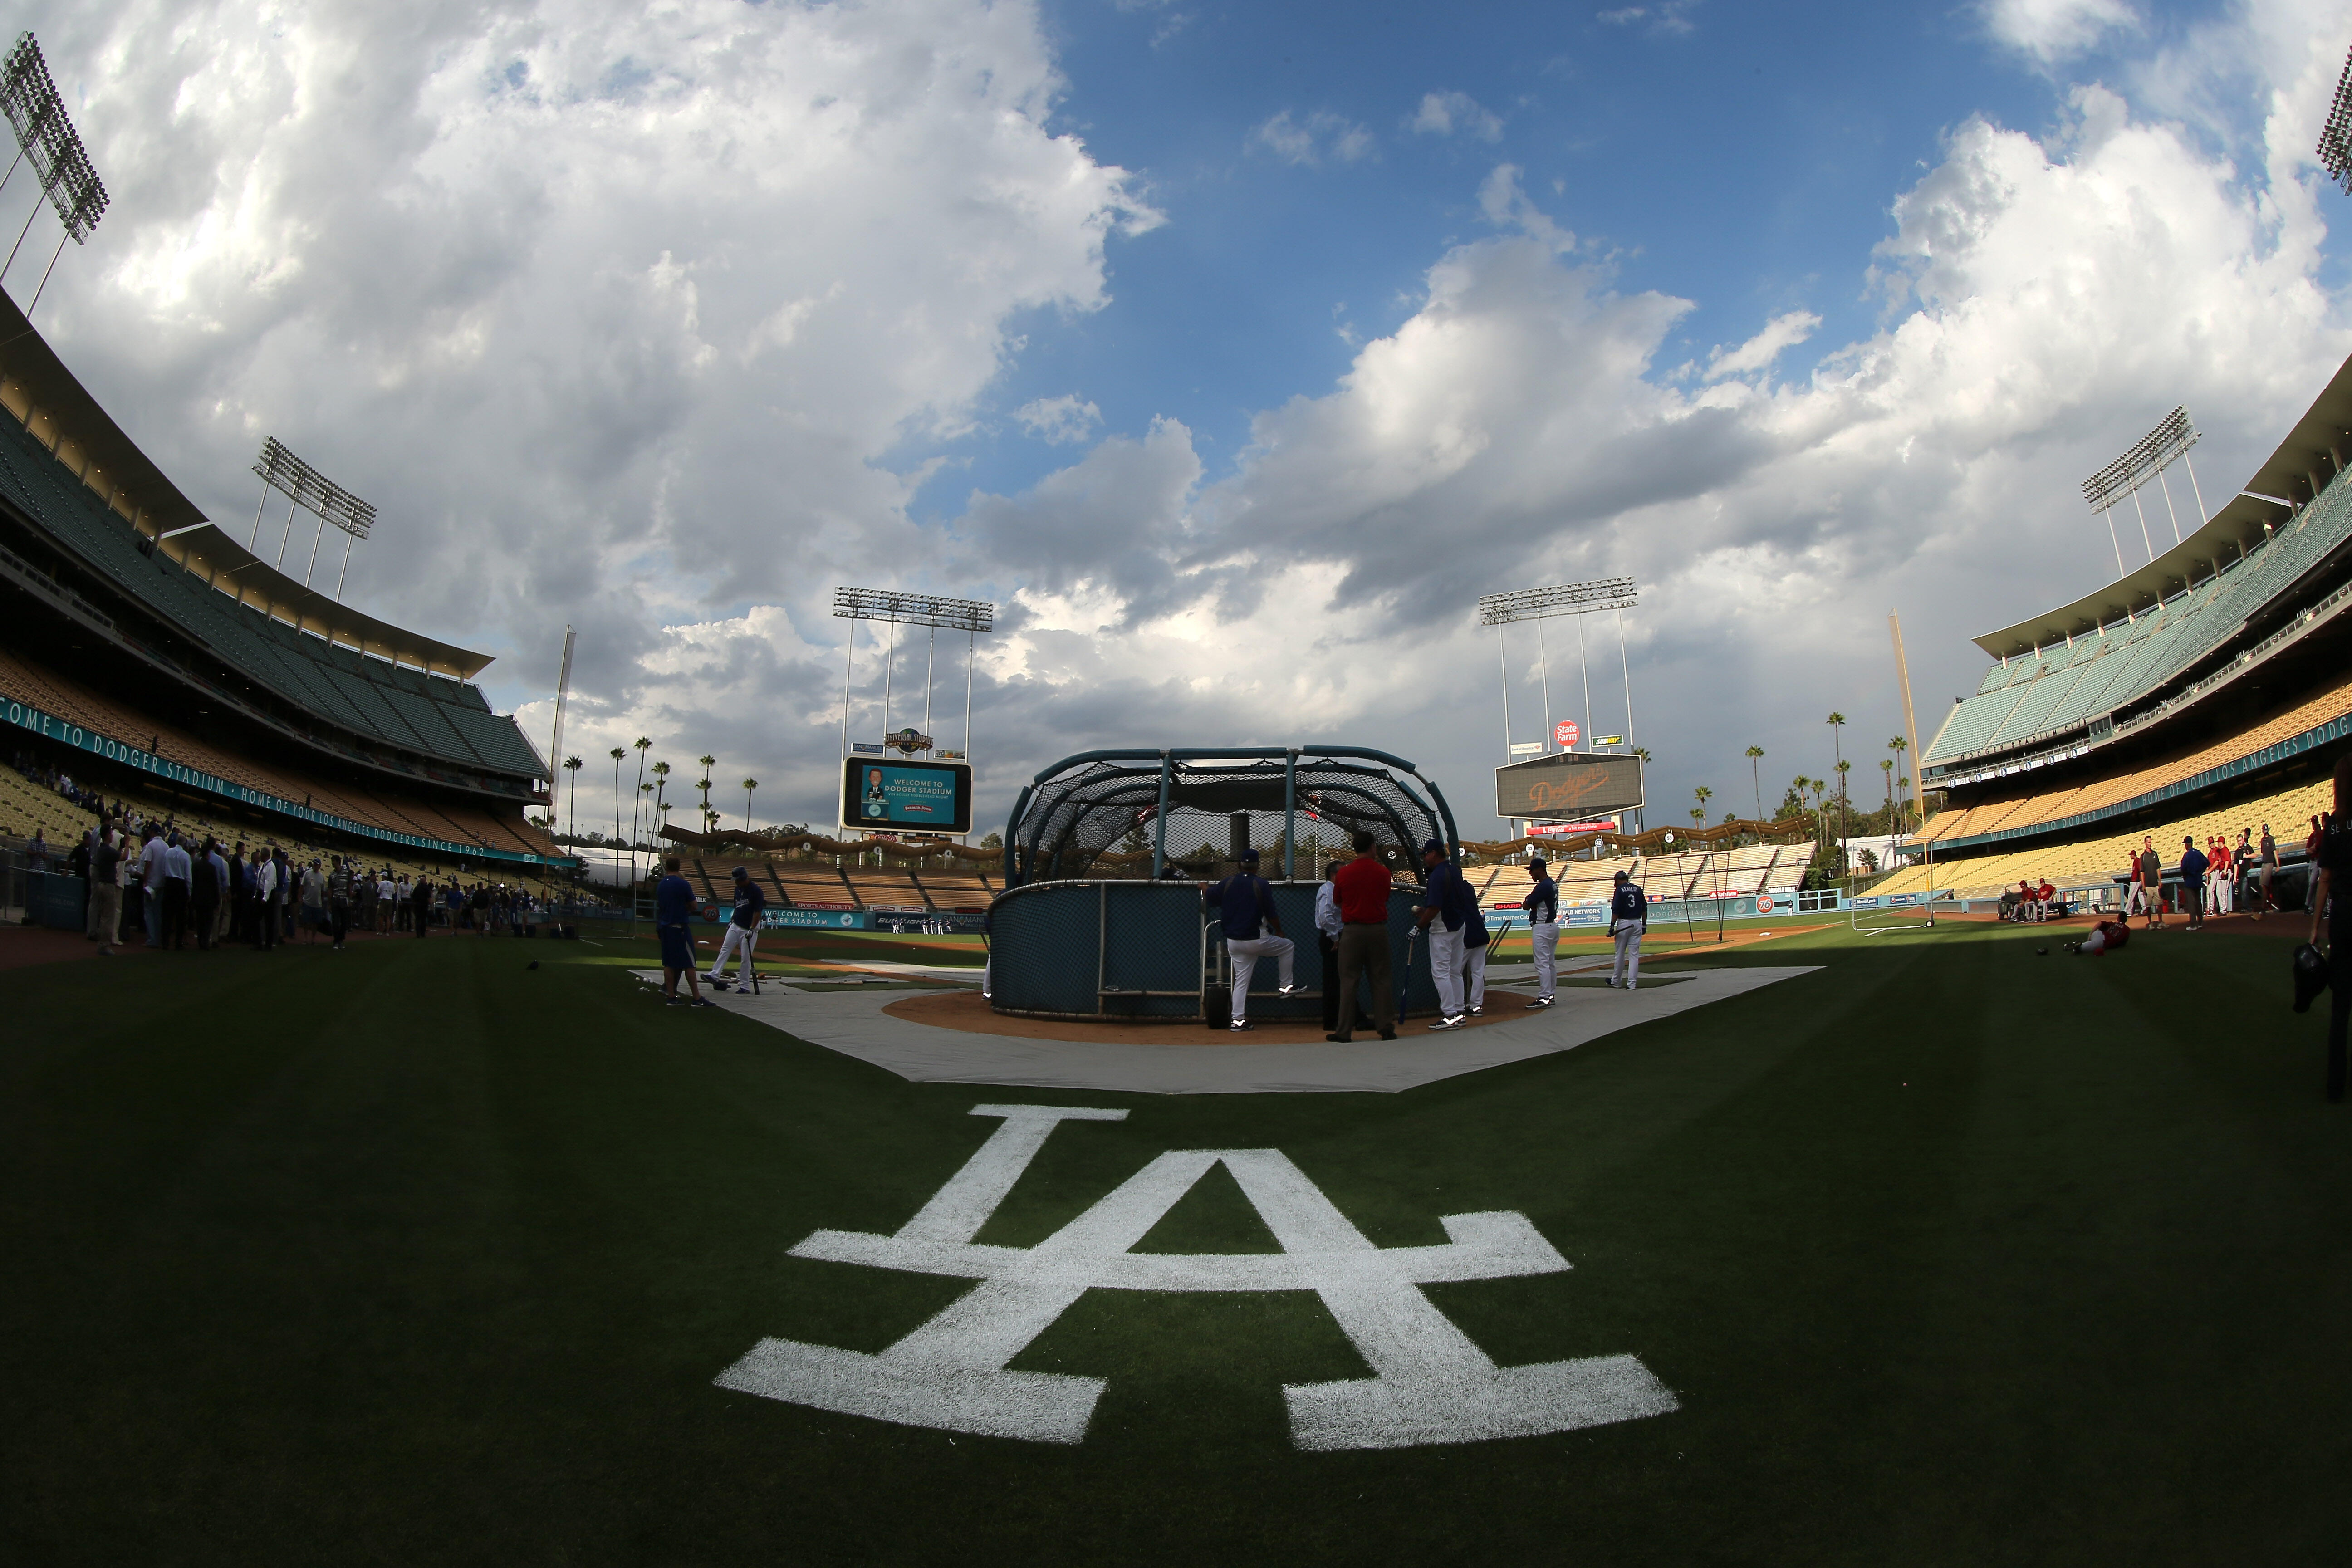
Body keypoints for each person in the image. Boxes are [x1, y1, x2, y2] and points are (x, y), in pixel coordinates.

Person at [1205, 848, 1300, 1031]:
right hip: (1256, 939)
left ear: (1239, 864)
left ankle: (1237, 1021)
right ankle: (1286, 986)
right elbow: (1272, 914)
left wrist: (1203, 886)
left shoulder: (1228, 882)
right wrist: (1280, 931)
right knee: (1287, 946)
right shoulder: (1261, 884)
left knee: (1241, 980)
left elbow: (1211, 896)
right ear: (1257, 866)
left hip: (1234, 941)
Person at [2304, 754, 2351, 1101]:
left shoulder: (2334, 825)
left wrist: (2315, 928)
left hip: (2344, 913)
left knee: (2341, 1005)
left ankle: (2336, 1085)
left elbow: (2325, 880)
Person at [1326, 831, 1398, 1043]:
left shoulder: (1344, 874)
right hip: (1377, 929)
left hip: (1352, 930)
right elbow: (1385, 897)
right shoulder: (1383, 872)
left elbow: (1337, 900)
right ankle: (1386, 1028)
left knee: (1348, 981)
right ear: (1373, 847)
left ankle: (1344, 1031)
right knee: (1381, 979)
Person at [1413, 839, 1474, 1031]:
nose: (1424, 858)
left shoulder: (1438, 875)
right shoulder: (1454, 870)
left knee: (1441, 973)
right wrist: (1427, 912)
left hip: (1443, 929)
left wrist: (1418, 927)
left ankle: (1450, 1015)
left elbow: (1435, 907)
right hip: (1458, 925)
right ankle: (1458, 1013)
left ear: (1434, 854)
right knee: (1455, 972)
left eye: (1426, 854)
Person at [655, 857, 714, 1006]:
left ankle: (671, 996)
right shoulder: (683, 884)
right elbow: (694, 906)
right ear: (679, 867)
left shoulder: (661, 885)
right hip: (679, 928)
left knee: (669, 964)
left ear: (666, 867)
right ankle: (697, 998)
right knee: (689, 964)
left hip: (664, 926)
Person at [706, 866, 766, 991]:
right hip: (736, 924)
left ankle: (744, 986)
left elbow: (757, 913)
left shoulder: (756, 891)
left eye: (738, 880)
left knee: (745, 958)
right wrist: (732, 921)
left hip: (749, 928)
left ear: (744, 878)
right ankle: (714, 975)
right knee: (725, 949)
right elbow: (737, 908)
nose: (736, 882)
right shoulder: (737, 890)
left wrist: (752, 929)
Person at [1523, 858, 1560, 1008]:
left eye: (1532, 870)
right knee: (1550, 964)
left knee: (1543, 964)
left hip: (1542, 927)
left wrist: (1528, 903)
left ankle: (1544, 997)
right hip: (1552, 926)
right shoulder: (1552, 884)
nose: (1531, 873)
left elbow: (1526, 905)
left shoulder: (1543, 886)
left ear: (1540, 869)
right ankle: (1550, 995)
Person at [1314, 860, 1345, 1033]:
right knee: (1333, 979)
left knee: (1338, 978)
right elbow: (1325, 916)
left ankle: (1343, 1017)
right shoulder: (1328, 890)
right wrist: (1335, 938)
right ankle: (1331, 1020)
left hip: (1335, 936)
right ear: (1334, 875)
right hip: (1332, 938)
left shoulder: (1334, 890)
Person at [1607, 868, 1648, 990]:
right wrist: (1644, 925)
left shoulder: (1619, 890)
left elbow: (1616, 910)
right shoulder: (1638, 889)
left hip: (1624, 923)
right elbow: (1644, 908)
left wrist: (1611, 926)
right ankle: (1632, 984)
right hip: (1637, 923)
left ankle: (1617, 981)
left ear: (1619, 880)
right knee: (1634, 956)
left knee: (1620, 954)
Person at [86, 827, 121, 956]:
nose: (112, 836)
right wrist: (127, 844)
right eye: (111, 834)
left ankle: (102, 943)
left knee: (104, 916)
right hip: (108, 885)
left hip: (102, 884)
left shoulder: (101, 850)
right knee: (108, 917)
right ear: (107, 835)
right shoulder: (106, 850)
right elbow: (121, 857)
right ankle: (104, 945)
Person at [160, 832, 192, 949]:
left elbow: (164, 869)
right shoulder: (186, 856)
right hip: (181, 885)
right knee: (180, 917)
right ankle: (178, 943)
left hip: (169, 883)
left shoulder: (168, 852)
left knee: (167, 915)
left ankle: (165, 942)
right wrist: (189, 891)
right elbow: (188, 876)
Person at [190, 837, 222, 951]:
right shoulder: (212, 868)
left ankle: (201, 942)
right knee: (208, 921)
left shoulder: (196, 866)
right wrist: (217, 901)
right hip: (209, 899)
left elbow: (193, 883)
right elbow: (215, 885)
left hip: (198, 898)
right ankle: (205, 942)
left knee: (200, 921)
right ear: (208, 854)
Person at [2179, 835, 2208, 932]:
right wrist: (2200, 872)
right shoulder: (2199, 853)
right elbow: (2207, 863)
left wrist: (2186, 876)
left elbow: (2183, 868)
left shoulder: (2187, 855)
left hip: (2190, 881)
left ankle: (2193, 924)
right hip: (2198, 880)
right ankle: (2200, 923)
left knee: (2191, 904)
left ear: (2187, 845)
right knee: (2198, 902)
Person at [2064, 918, 2132, 956]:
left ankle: (2073, 944)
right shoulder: (2127, 929)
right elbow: (2123, 943)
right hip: (2102, 941)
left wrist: (2091, 933)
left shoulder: (2114, 924)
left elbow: (2101, 923)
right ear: (2126, 920)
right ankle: (2076, 947)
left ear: (2118, 918)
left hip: (2097, 933)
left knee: (2090, 943)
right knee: (2080, 949)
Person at [2138, 838, 2165, 930]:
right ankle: (2150, 923)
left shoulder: (2155, 854)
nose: (2150, 844)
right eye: (2148, 842)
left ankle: (2160, 922)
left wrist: (2160, 880)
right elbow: (2142, 872)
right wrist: (2143, 884)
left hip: (2156, 884)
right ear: (2145, 843)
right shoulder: (2143, 856)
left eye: (2151, 842)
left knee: (2160, 904)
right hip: (2148, 885)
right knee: (2149, 906)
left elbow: (2158, 868)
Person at [327, 857, 353, 951]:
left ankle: (341, 939)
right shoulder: (332, 875)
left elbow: (349, 887)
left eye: (333, 861)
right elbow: (330, 890)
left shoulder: (346, 873)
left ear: (338, 862)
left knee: (345, 922)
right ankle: (336, 941)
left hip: (344, 899)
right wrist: (330, 903)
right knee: (336, 922)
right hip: (335, 900)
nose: (332, 863)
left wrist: (350, 899)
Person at [2260, 823, 2278, 916]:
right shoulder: (2262, 840)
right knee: (2262, 885)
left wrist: (2278, 865)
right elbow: (2263, 853)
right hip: (2264, 864)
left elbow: (2275, 852)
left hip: (2269, 864)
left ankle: (2264, 907)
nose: (2265, 833)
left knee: (2264, 885)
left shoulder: (2271, 839)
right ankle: (2267, 904)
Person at [412, 874, 434, 938]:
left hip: (417, 906)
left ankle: (418, 934)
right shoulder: (427, 888)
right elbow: (429, 898)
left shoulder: (417, 887)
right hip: (424, 906)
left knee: (418, 920)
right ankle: (423, 934)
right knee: (423, 920)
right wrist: (431, 905)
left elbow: (413, 897)